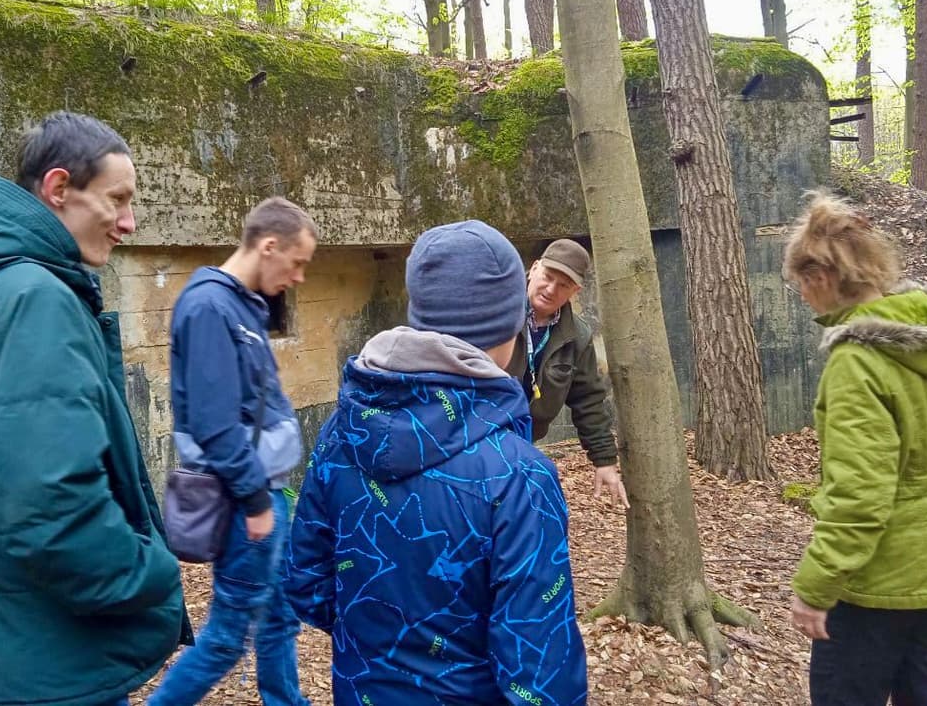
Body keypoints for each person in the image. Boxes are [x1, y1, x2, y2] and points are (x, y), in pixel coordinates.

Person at [0, 112, 188, 706]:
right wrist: (151, 571)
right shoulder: (36, 298)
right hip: (53, 659)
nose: (128, 222)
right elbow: (48, 498)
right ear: (59, 188)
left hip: (11, 648)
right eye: (117, 199)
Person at [287, 219, 589, 706]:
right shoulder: (521, 476)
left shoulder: (341, 433)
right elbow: (539, 668)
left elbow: (307, 586)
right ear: (511, 321)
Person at [149, 197, 315, 706]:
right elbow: (214, 422)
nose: (300, 276)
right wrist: (255, 501)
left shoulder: (242, 303)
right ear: (269, 246)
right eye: (298, 262)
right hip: (242, 499)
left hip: (264, 488)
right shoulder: (208, 307)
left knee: (280, 612)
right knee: (227, 635)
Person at [784, 191, 927, 706]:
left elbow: (860, 495)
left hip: (878, 587)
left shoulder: (857, 362)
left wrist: (816, 586)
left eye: (801, 285)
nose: (804, 297)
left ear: (821, 278)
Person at [507, 238, 629, 508]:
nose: (551, 289)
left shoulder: (578, 336)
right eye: (548, 277)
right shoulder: (496, 309)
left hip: (525, 440)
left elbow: (588, 400)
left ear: (576, 290)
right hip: (477, 434)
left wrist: (604, 460)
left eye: (563, 285)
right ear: (534, 267)